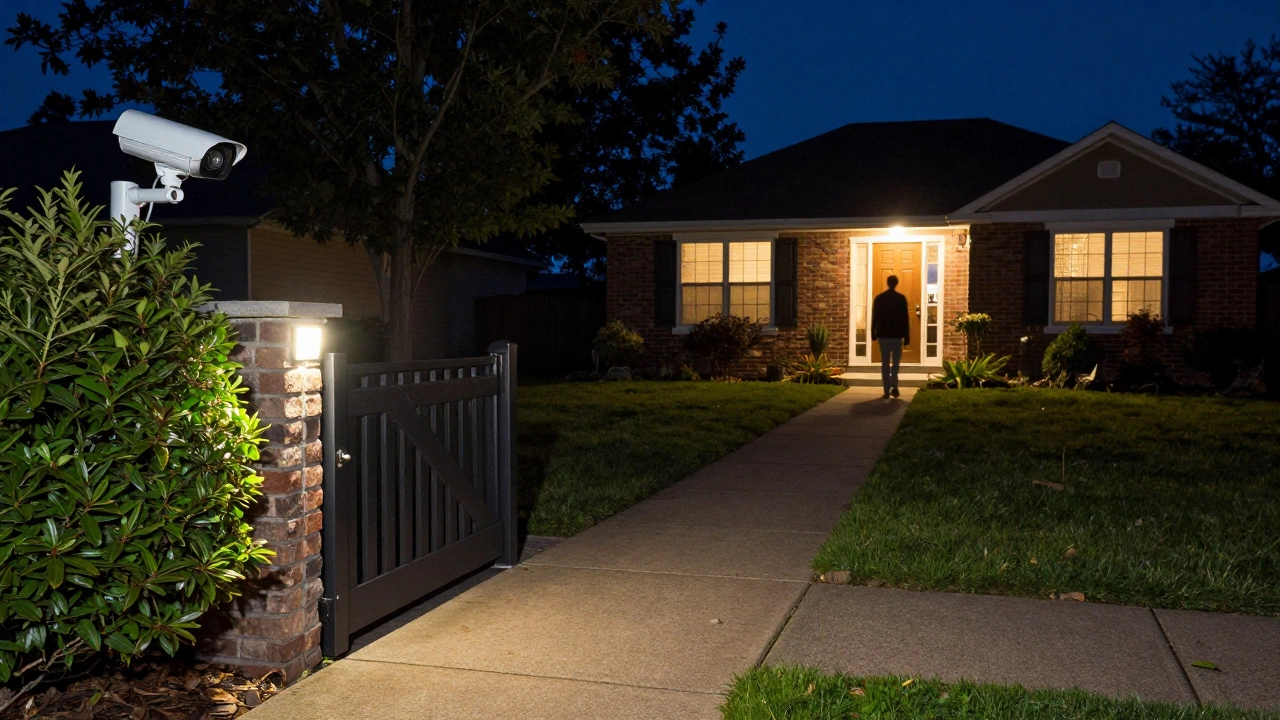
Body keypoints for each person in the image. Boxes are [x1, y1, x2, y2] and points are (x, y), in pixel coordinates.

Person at [871, 275, 910, 399]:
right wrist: (907, 335)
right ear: (896, 283)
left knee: (885, 362)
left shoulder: (879, 298)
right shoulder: (901, 298)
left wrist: (873, 332)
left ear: (888, 283)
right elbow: (905, 318)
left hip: (883, 334)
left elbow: (875, 316)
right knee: (896, 363)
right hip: (897, 335)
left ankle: (887, 390)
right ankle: (894, 386)